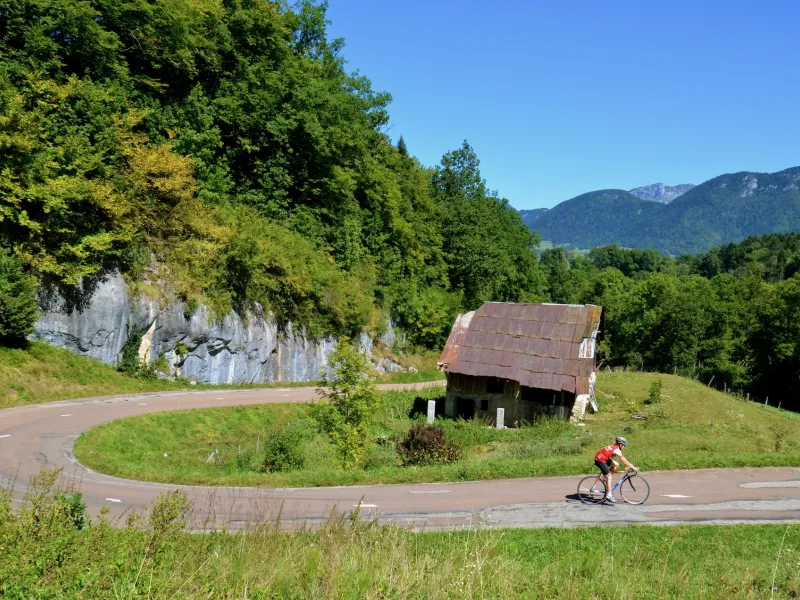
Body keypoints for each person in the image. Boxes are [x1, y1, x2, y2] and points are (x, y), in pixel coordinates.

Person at [594, 436, 637, 502]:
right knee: (609, 476)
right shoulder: (616, 450)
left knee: (616, 464)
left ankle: (606, 478)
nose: (624, 447)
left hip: (604, 458)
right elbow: (624, 461)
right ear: (620, 444)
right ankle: (609, 495)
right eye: (624, 446)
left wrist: (631, 465)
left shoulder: (614, 447)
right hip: (600, 460)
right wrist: (633, 467)